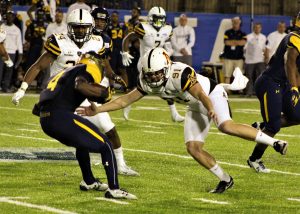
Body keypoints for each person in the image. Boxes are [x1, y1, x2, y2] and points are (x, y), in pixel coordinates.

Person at [77, 47, 288, 193]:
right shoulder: (148, 80)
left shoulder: (181, 73)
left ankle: (275, 142)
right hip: (193, 106)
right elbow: (124, 100)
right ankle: (225, 179)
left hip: (210, 96)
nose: (152, 79)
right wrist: (98, 109)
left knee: (226, 126)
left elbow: (200, 94)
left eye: (156, 74)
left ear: (167, 66)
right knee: (193, 148)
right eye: (149, 75)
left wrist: (211, 109)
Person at [13, 8, 137, 176]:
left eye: (83, 27)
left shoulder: (97, 41)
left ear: (89, 26)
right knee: (80, 139)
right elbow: (38, 66)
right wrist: (23, 88)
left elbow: (104, 65)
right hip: (62, 97)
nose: (79, 30)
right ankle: (88, 178)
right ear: (69, 27)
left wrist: (114, 76)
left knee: (109, 129)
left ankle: (120, 165)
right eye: (76, 27)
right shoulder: (59, 41)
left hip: (85, 93)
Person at [33, 51, 136, 199]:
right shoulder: (86, 69)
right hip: (60, 117)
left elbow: (36, 108)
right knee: (105, 144)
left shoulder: (66, 72)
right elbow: (80, 85)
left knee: (82, 143)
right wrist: (104, 94)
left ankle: (88, 181)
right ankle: (114, 189)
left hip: (45, 119)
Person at [247, 12, 300, 173]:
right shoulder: (294, 37)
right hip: (270, 83)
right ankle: (254, 159)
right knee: (274, 126)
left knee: (297, 115)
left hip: (283, 84)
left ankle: (263, 124)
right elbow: (290, 64)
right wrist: (295, 88)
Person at [89, 7, 139, 176]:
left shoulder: (106, 39)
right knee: (87, 129)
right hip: (80, 85)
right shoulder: (82, 36)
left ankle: (120, 164)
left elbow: (105, 64)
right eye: (97, 19)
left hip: (95, 86)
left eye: (103, 20)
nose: (100, 23)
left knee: (106, 127)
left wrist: (111, 78)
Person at [121, 6, 184, 122]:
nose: (159, 22)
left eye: (161, 19)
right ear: (150, 18)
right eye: (157, 19)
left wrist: (167, 53)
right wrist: (125, 52)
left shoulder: (167, 29)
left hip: (159, 61)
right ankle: (127, 105)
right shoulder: (143, 27)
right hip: (145, 61)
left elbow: (168, 46)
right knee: (149, 87)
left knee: (165, 85)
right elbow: (128, 38)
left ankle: (174, 114)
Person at [0, 11, 23, 92]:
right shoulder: (2, 27)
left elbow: (19, 44)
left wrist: (20, 56)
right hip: (2, 52)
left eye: (11, 16)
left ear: (13, 17)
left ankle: (5, 87)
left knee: (9, 72)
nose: (10, 18)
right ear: (6, 17)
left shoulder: (17, 30)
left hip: (12, 53)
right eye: (8, 16)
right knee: (0, 70)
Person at [244, 23, 267, 97]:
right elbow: (244, 48)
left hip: (260, 60)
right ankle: (249, 92)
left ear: (261, 28)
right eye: (256, 27)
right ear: (253, 28)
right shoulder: (248, 36)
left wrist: (265, 58)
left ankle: (259, 92)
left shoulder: (264, 37)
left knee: (260, 77)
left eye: (259, 28)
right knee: (249, 77)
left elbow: (265, 49)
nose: (257, 29)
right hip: (249, 60)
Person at [223, 17, 247, 84]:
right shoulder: (227, 32)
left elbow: (243, 43)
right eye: (234, 21)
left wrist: (232, 42)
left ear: (240, 22)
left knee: (239, 75)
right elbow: (226, 42)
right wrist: (238, 42)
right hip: (228, 57)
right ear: (232, 22)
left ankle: (240, 90)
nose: (236, 23)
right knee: (227, 75)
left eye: (237, 22)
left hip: (239, 58)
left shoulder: (243, 33)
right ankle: (226, 91)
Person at [107, 11, 128, 87]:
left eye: (116, 16)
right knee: (111, 70)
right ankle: (111, 87)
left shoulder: (122, 25)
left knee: (123, 69)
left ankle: (126, 87)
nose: (114, 17)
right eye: (113, 16)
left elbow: (126, 37)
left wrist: (126, 50)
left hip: (120, 50)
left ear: (118, 17)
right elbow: (106, 39)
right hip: (112, 51)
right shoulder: (108, 26)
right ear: (111, 17)